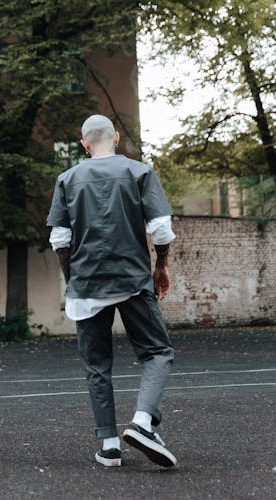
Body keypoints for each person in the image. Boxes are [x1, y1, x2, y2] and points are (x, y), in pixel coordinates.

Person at [46, 115, 177, 468]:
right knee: (157, 353)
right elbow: (162, 229)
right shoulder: (139, 172)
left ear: (83, 142)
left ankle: (109, 445)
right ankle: (144, 423)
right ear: (116, 137)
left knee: (97, 365)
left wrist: (74, 279)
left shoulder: (67, 179)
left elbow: (60, 239)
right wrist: (160, 265)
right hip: (132, 280)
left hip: (86, 284)